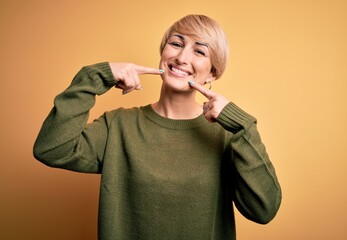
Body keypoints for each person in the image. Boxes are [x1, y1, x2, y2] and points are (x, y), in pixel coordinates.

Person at [33, 14, 281, 240]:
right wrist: (96, 76)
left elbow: (263, 210)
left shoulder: (228, 135)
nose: (182, 58)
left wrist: (242, 126)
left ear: (213, 74)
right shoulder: (118, 126)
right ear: (163, 52)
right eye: (176, 43)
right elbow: (52, 148)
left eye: (199, 51)